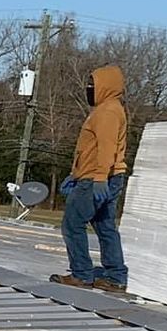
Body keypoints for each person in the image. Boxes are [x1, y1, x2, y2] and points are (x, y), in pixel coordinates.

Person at [52, 63, 130, 293]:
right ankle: (116, 277)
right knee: (105, 226)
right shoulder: (110, 109)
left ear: (106, 86)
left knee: (73, 224)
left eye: (92, 85)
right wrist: (75, 174)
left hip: (97, 179)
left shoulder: (107, 112)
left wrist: (98, 178)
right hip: (103, 176)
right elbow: (90, 149)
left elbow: (106, 148)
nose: (89, 89)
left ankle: (82, 274)